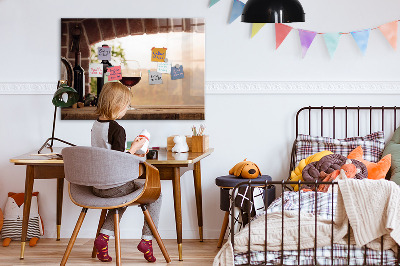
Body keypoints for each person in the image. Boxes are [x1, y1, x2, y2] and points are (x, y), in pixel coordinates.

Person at [91, 82, 162, 263]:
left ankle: (104, 238)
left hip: (97, 186)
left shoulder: (96, 125)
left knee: (121, 198)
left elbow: (108, 154)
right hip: (114, 186)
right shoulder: (117, 129)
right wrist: (135, 149)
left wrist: (132, 150)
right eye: (126, 105)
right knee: (156, 194)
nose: (126, 109)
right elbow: (119, 161)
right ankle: (147, 240)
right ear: (118, 105)